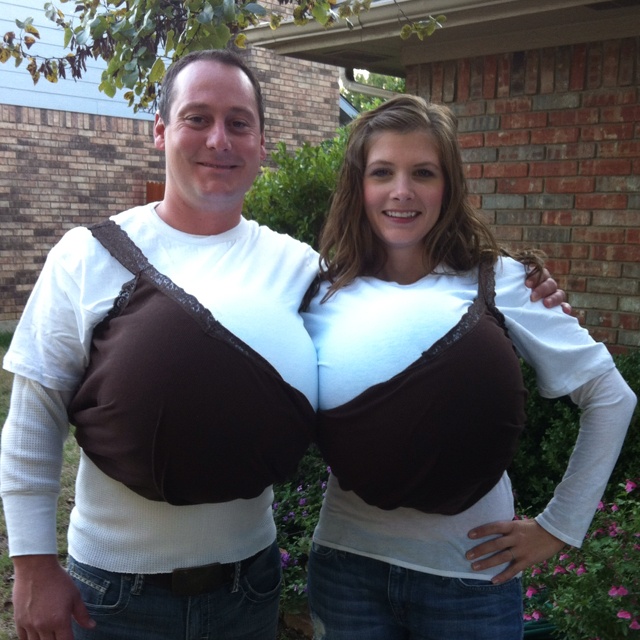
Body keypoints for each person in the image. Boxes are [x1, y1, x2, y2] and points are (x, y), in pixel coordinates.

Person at [0, 52, 564, 640]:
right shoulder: (88, 255)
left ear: (262, 144)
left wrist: (529, 294)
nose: (219, 139)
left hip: (250, 588)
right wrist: (33, 564)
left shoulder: (303, 270)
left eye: (239, 123)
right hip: (115, 594)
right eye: (197, 118)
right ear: (162, 129)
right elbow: (32, 417)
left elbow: (399, 309)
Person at [301, 95, 636, 640]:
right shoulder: (321, 290)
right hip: (346, 569)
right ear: (358, 187)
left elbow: (611, 396)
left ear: (448, 186)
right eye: (382, 172)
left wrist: (558, 528)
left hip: (470, 579)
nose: (401, 191)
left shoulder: (501, 282)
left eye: (423, 173)